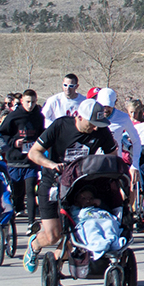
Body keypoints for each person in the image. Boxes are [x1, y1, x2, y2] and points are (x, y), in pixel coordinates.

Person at [22, 99, 117, 274]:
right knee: (53, 235)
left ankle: (53, 274)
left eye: (98, 124)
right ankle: (35, 244)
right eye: (91, 124)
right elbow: (33, 153)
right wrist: (51, 164)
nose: (95, 129)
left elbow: (112, 156)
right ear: (79, 117)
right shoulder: (60, 126)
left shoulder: (101, 130)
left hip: (78, 186)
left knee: (74, 238)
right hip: (53, 183)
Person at [0, 89, 45, 233]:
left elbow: (41, 133)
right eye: (27, 102)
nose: (30, 105)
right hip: (15, 160)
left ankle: (31, 223)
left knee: (31, 191)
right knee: (16, 193)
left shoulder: (38, 117)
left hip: (31, 160)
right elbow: (2, 135)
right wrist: (14, 142)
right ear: (21, 101)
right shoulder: (13, 116)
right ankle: (10, 220)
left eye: (33, 102)